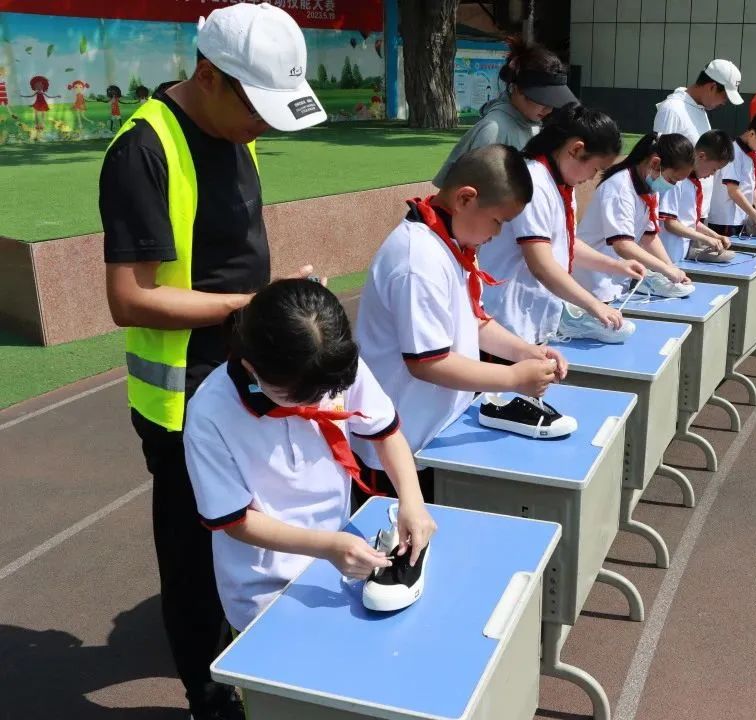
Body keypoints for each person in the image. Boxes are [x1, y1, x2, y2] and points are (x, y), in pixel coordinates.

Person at [98, 4, 327, 718]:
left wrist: (270, 300)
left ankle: (256, 663)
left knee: (256, 531)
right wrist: (249, 306)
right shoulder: (144, 150)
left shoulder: (235, 132)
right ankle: (208, 694)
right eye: (257, 108)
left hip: (241, 375)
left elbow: (229, 252)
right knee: (195, 558)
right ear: (208, 76)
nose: (263, 126)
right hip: (182, 399)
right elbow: (129, 298)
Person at [184, 279, 436, 632]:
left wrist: (412, 500)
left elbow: (386, 433)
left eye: (327, 392)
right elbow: (236, 521)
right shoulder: (210, 414)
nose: (319, 401)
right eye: (299, 396)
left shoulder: (331, 365)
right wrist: (327, 546)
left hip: (342, 555)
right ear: (252, 367)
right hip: (265, 589)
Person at [354, 144, 568, 495]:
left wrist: (526, 353)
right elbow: (428, 363)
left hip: (433, 432)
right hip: (397, 446)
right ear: (465, 199)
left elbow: (474, 321)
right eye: (498, 222)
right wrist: (513, 378)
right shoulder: (418, 261)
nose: (497, 235)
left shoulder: (450, 241)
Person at [479, 104, 645, 345]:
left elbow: (567, 243)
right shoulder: (533, 183)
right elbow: (541, 264)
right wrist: (593, 304)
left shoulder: (562, 182)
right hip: (507, 318)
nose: (592, 177)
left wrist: (616, 266)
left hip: (532, 314)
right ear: (576, 150)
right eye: (595, 168)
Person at [434, 37, 576, 187]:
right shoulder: (493, 129)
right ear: (518, 88)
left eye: (553, 102)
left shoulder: (532, 124)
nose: (549, 109)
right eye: (543, 100)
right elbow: (470, 192)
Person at [573, 133, 696, 302]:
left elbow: (648, 236)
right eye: (672, 180)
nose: (672, 186)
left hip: (616, 281)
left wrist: (671, 268)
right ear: (655, 163)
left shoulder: (650, 188)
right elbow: (623, 245)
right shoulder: (619, 188)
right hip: (591, 281)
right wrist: (666, 270)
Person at [654, 58, 744, 223]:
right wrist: (661, 214)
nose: (724, 102)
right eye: (724, 96)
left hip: (694, 212)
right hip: (673, 215)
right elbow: (660, 161)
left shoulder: (699, 110)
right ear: (712, 87)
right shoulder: (673, 109)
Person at [659, 129, 736, 262]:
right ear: (701, 156)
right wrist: (705, 239)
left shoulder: (691, 182)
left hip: (679, 254)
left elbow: (690, 221)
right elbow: (669, 223)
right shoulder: (676, 179)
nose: (713, 174)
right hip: (666, 254)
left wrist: (715, 236)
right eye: (714, 169)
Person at [707, 109, 756, 236]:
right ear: (752, 134)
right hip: (725, 221)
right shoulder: (734, 152)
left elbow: (751, 188)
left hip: (738, 219)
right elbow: (733, 191)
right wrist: (755, 215)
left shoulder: (749, 154)